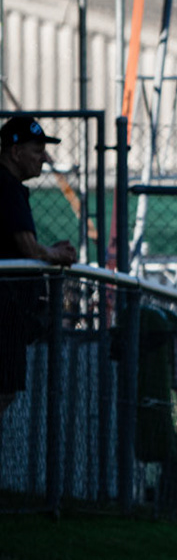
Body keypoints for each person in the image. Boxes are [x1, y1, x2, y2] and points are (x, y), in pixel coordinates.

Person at [1, 115, 79, 420]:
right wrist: (56, 254)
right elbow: (28, 247)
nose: (44, 159)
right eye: (37, 151)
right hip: (5, 312)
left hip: (10, 312)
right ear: (15, 152)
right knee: (3, 389)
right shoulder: (7, 186)